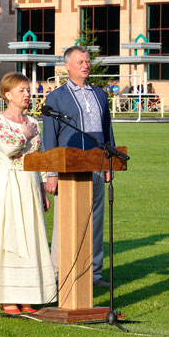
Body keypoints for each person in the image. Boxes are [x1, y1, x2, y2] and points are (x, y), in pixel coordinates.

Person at [0, 72, 57, 314]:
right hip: (9, 183)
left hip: (30, 184)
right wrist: (24, 134)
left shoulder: (34, 122)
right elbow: (9, 148)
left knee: (31, 237)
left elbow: (40, 156)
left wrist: (43, 188)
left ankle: (27, 295)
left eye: (27, 90)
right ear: (7, 94)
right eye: (21, 90)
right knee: (9, 237)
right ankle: (7, 296)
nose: (27, 94)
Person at [43, 45, 115, 288]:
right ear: (67, 67)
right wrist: (52, 172)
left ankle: (93, 273)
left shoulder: (100, 94)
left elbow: (107, 130)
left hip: (97, 165)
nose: (85, 65)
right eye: (80, 62)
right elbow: (50, 136)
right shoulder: (56, 97)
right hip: (68, 168)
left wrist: (109, 163)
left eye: (87, 61)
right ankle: (58, 272)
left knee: (95, 220)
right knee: (64, 222)